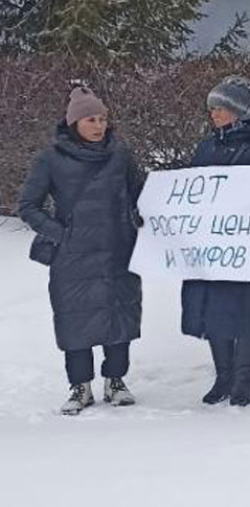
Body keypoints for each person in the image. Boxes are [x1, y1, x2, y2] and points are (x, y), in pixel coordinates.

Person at [19, 86, 145, 415]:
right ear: (74, 122)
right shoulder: (51, 158)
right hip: (73, 257)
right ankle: (80, 387)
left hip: (118, 249)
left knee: (119, 316)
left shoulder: (121, 154)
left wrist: (144, 217)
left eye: (103, 118)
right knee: (76, 321)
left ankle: (116, 380)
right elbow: (28, 206)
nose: (99, 125)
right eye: (91, 119)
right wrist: (60, 235)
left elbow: (142, 192)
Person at [182, 76, 250, 408]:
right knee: (214, 307)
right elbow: (191, 188)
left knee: (248, 309)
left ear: (239, 111)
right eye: (212, 108)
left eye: (220, 108)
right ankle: (222, 377)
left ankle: (244, 379)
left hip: (249, 244)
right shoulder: (206, 147)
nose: (214, 114)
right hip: (212, 244)